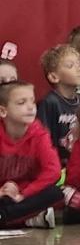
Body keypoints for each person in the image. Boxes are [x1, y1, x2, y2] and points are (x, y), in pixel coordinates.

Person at [0, 81, 61, 229]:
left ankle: (4, 217)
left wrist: (23, 194)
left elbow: (53, 171)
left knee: (56, 193)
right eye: (21, 103)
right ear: (3, 111)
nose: (30, 107)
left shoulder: (39, 134)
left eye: (32, 102)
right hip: (2, 194)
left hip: (24, 195)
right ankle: (25, 220)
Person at [37, 43, 80, 161]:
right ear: (54, 77)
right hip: (59, 166)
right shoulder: (49, 103)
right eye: (70, 65)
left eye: (79, 64)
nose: (79, 68)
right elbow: (44, 140)